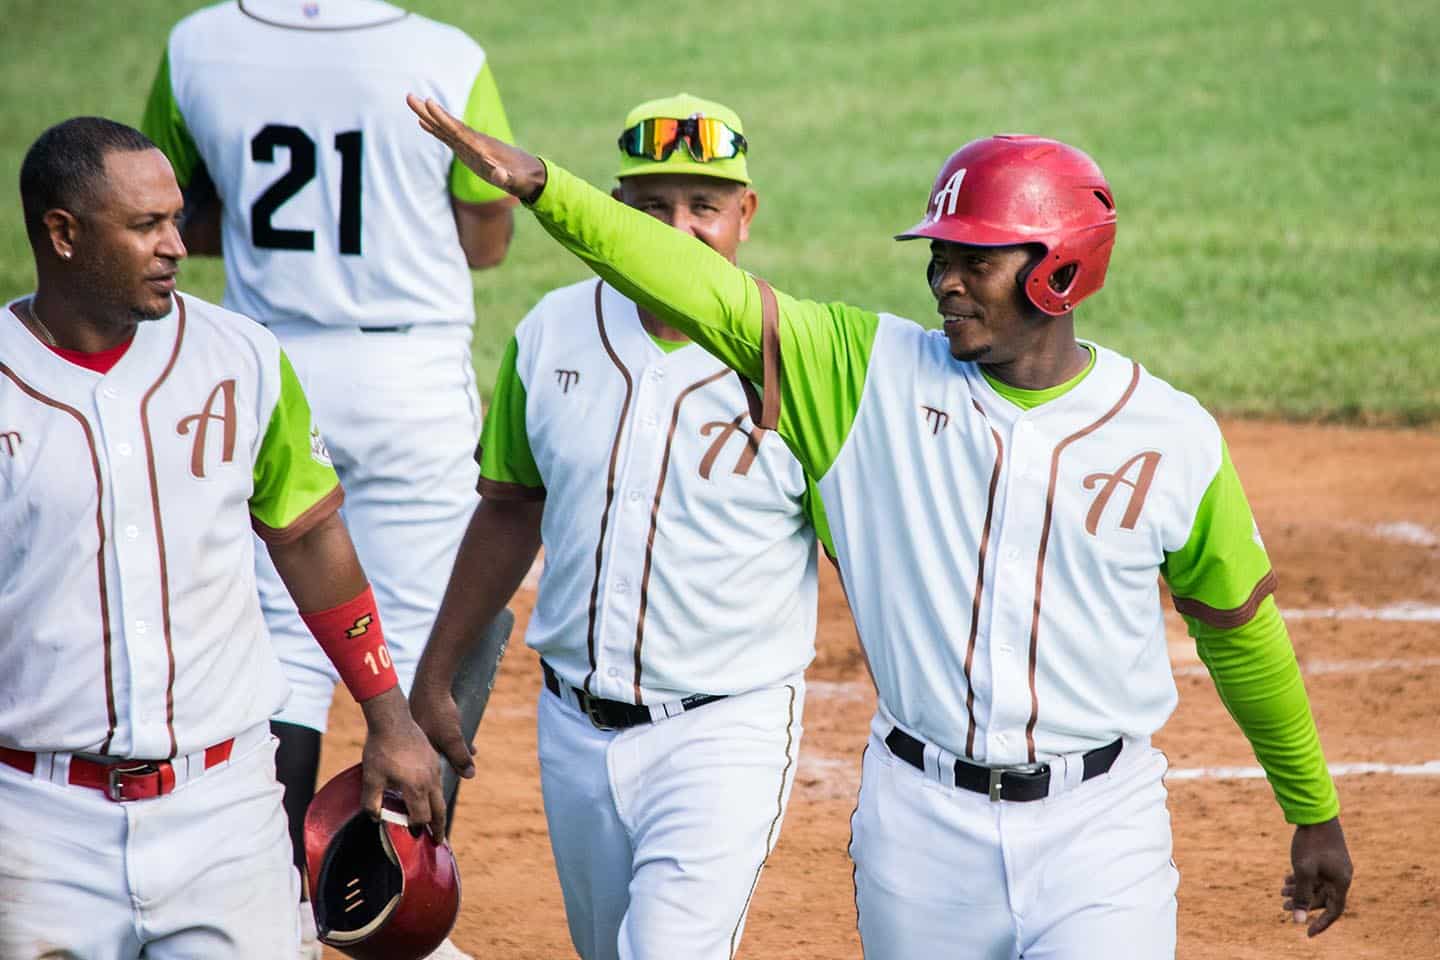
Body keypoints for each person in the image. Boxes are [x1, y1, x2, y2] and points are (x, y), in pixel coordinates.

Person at [405, 97, 1357, 957]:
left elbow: (1241, 633)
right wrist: (545, 189)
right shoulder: (862, 375)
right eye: (940, 256)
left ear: (1062, 267)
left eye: (975, 260)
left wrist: (1312, 810)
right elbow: (697, 287)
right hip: (919, 829)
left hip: (1101, 829)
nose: (945, 280)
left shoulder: (1170, 434)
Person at [0, 117, 440, 959]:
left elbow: (310, 542)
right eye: (145, 227)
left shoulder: (242, 357)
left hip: (224, 808)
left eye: (175, 218)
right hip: (33, 824)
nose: (177, 245)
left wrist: (388, 715)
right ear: (62, 234)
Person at [408, 93, 826, 960]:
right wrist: (436, 673)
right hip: (573, 731)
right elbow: (510, 507)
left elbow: (869, 549)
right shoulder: (549, 334)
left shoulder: (801, 359)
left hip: (727, 732)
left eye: (703, 205)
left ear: (745, 215)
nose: (677, 229)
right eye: (650, 207)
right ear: (610, 211)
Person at [141, 4, 518, 957]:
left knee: (289, 640)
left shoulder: (197, 45)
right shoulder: (447, 54)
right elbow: (488, 239)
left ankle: (277, 915)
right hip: (410, 375)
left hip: (273, 365)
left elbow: (171, 209)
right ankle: (400, 911)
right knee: (443, 632)